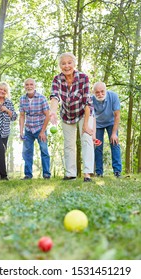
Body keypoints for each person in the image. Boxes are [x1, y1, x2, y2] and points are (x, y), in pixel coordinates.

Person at [50, 52, 95, 182]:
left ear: (74, 64)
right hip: (67, 114)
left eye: (69, 62)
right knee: (68, 144)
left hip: (83, 112)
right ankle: (71, 174)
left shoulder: (83, 78)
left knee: (86, 139)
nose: (67, 66)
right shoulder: (57, 79)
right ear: (60, 66)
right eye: (63, 63)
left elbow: (87, 102)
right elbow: (54, 96)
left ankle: (87, 174)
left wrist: (86, 125)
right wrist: (52, 111)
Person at [19, 78, 51, 179]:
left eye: (31, 84)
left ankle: (46, 174)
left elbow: (47, 115)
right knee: (27, 152)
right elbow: (22, 116)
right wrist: (21, 132)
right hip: (28, 129)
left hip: (40, 128)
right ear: (24, 86)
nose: (29, 86)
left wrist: (42, 131)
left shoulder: (42, 98)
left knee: (44, 151)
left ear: (35, 86)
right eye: (27, 84)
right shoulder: (22, 99)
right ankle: (28, 175)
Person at [92, 81, 122, 177]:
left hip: (111, 122)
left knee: (114, 143)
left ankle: (117, 171)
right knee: (98, 147)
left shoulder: (113, 96)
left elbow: (117, 116)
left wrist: (114, 133)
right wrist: (93, 133)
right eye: (97, 92)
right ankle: (99, 172)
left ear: (106, 90)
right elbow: (91, 117)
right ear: (94, 92)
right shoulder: (91, 99)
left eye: (102, 91)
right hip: (97, 124)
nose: (100, 94)